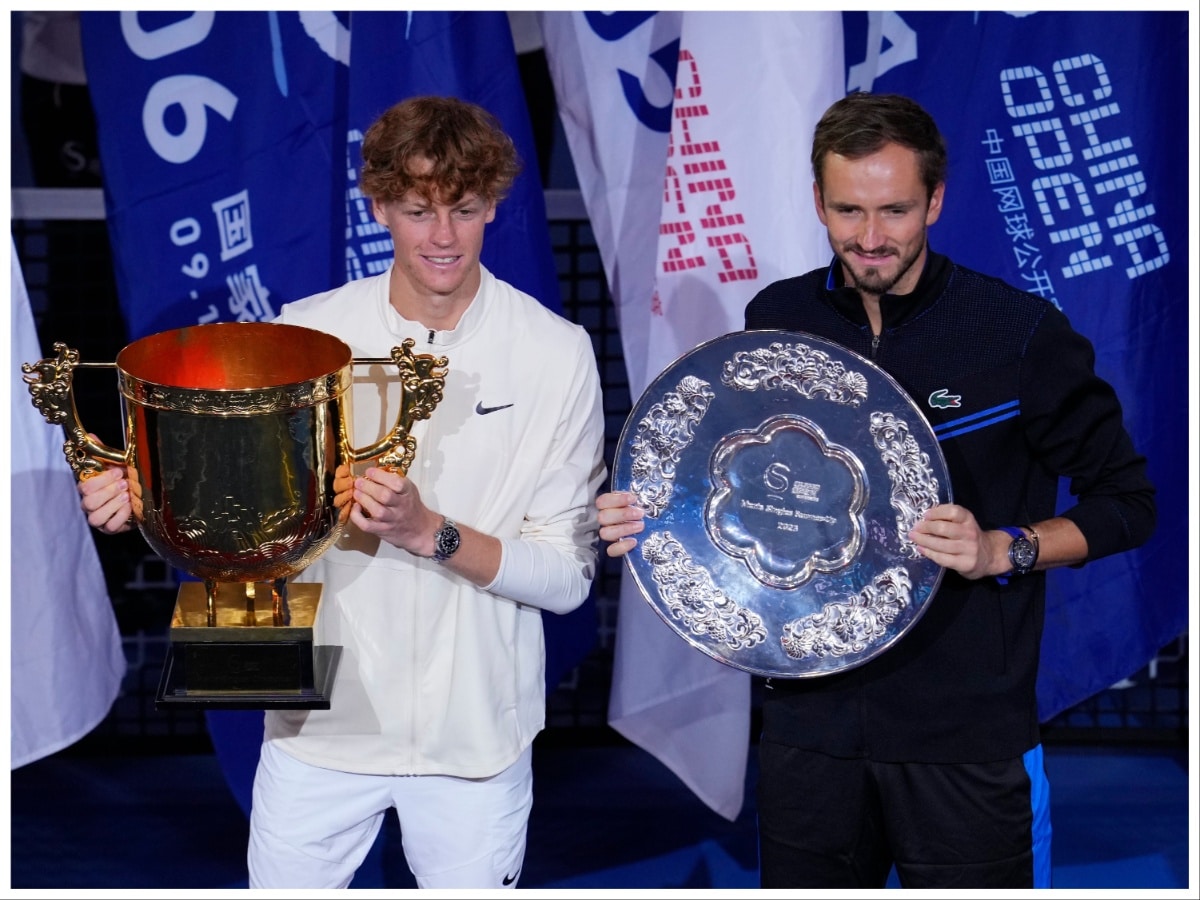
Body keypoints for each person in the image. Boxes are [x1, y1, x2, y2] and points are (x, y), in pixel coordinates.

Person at [595, 92, 1156, 889]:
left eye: (894, 211)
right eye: (848, 210)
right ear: (818, 201)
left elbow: (1129, 503)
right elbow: (732, 485)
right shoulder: (777, 317)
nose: (869, 238)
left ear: (936, 199)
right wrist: (650, 515)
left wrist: (1006, 547)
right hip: (807, 727)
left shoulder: (1018, 331)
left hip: (965, 731)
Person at [79, 95, 608, 889]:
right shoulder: (305, 335)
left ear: (494, 205)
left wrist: (429, 529)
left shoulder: (556, 353)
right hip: (316, 732)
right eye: (416, 209)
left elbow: (566, 579)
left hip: (476, 739)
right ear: (379, 206)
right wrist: (150, 495)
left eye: (464, 209)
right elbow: (238, 517)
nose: (441, 236)